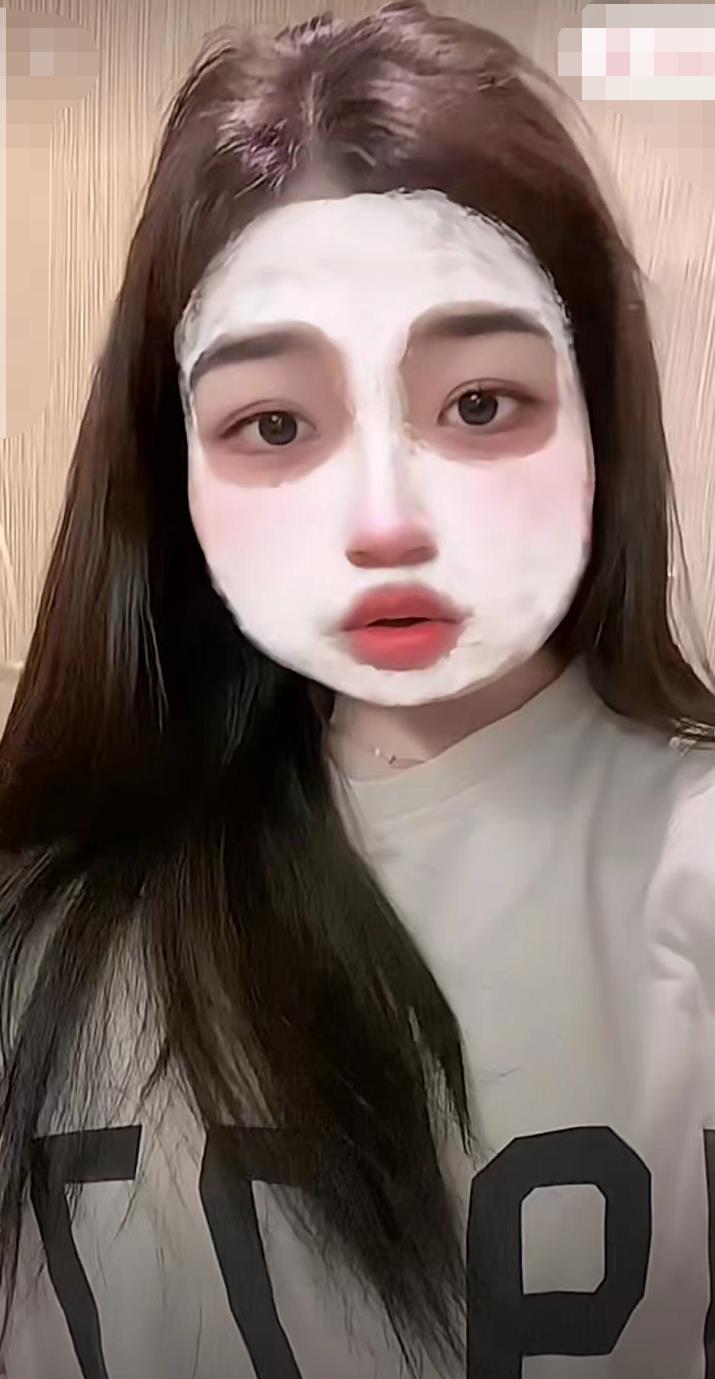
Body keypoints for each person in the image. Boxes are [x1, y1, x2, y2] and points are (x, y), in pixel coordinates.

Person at [0, 3, 714, 1376]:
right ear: (176, 470)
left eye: (480, 404)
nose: (386, 521)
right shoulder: (46, 931)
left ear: (601, 426)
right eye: (275, 424)